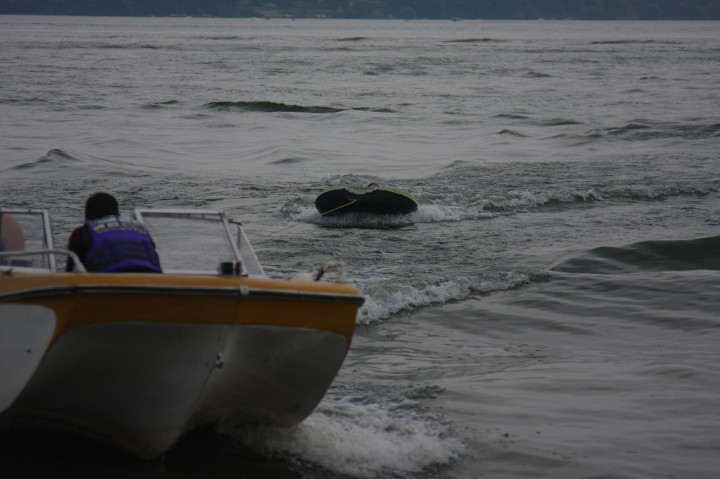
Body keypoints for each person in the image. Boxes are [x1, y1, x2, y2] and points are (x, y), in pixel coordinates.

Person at [66, 192, 162, 273]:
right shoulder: (141, 228)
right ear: (118, 215)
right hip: (153, 283)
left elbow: (71, 273)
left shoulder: (82, 233)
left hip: (112, 287)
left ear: (86, 219)